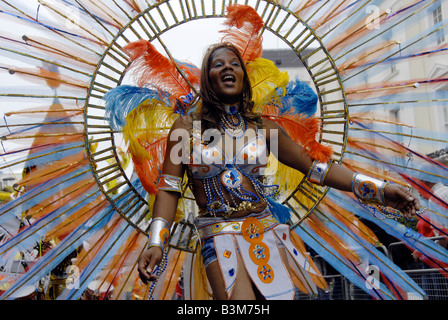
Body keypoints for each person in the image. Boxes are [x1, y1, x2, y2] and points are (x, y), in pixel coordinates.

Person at [137, 42, 420, 300]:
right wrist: (156, 241)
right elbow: (169, 188)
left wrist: (380, 190)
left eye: (235, 64)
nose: (227, 68)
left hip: (267, 233)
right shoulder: (185, 129)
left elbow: (316, 169)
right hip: (218, 235)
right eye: (218, 64)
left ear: (244, 78)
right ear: (207, 79)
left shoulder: (264, 129)